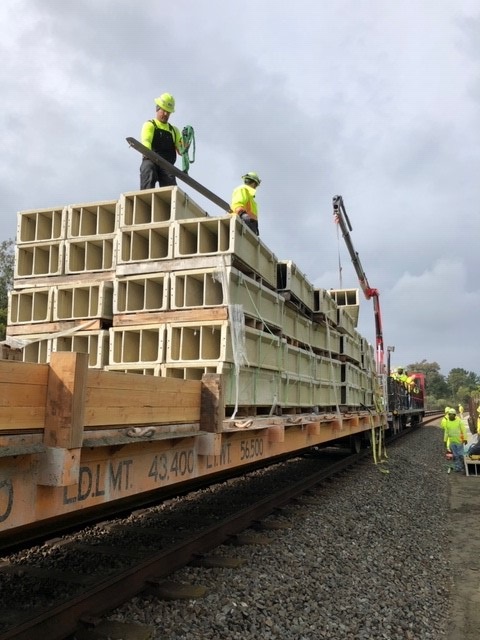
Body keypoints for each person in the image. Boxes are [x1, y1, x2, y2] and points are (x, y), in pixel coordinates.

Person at [139, 93, 183, 189]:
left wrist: (185, 146)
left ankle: (170, 203)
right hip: (151, 160)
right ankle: (146, 199)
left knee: (170, 182)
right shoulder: (150, 125)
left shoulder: (174, 130)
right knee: (148, 169)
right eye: (164, 110)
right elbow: (146, 141)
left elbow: (181, 150)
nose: (166, 114)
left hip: (167, 165)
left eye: (168, 112)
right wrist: (147, 153)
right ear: (158, 108)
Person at [441, 408, 467, 473]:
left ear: (455, 415)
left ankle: (462, 467)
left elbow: (464, 430)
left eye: (453, 414)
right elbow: (446, 432)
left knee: (460, 455)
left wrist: (465, 439)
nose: (451, 416)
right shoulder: (447, 422)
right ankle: (457, 467)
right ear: (448, 415)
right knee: (455, 456)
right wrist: (445, 440)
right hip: (452, 442)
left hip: (459, 441)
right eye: (450, 414)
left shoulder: (459, 421)